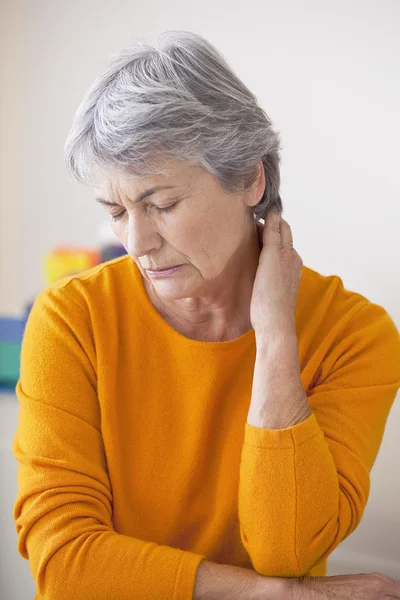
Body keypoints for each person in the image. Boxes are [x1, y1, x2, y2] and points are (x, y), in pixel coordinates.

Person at [12, 30, 400, 600]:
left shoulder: (355, 335)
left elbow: (286, 548)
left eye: (161, 204)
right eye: (116, 211)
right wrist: (275, 594)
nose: (136, 241)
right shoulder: (71, 319)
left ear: (250, 178)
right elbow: (64, 562)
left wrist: (274, 335)